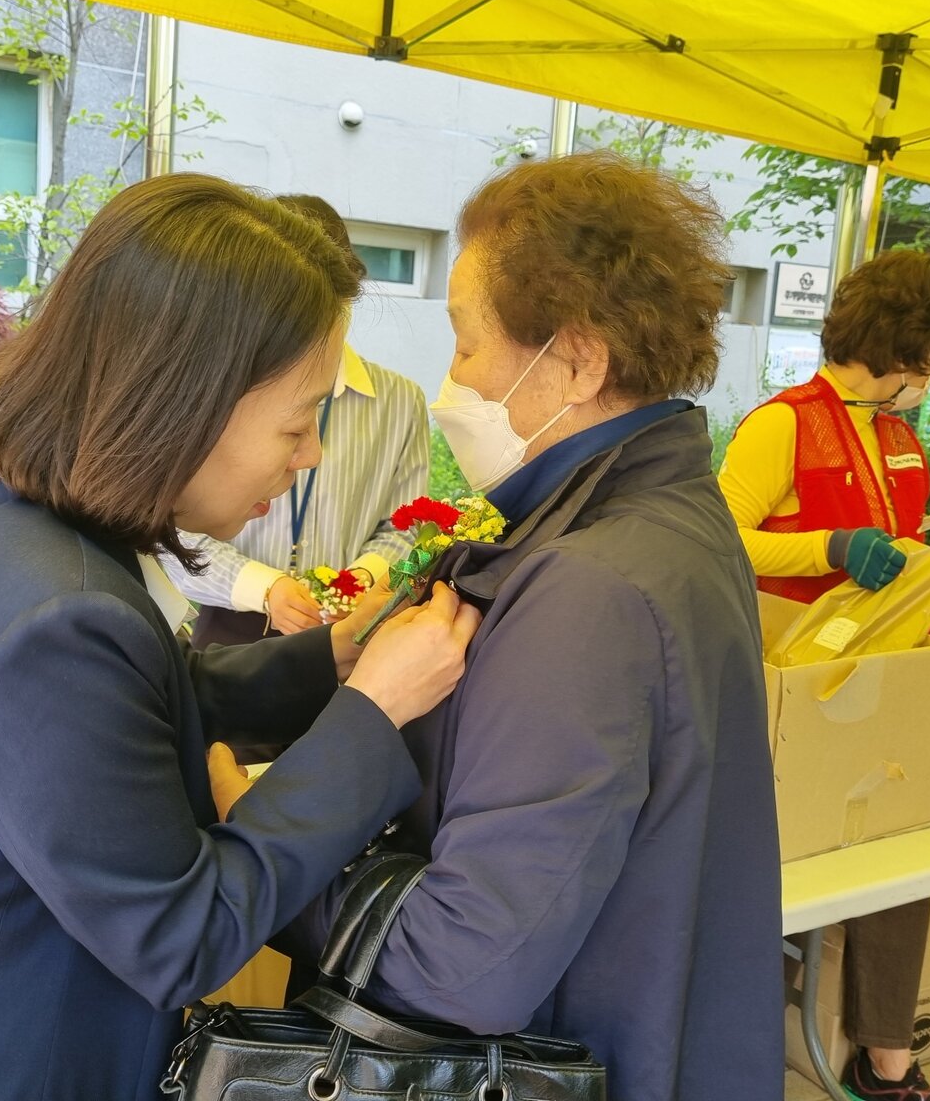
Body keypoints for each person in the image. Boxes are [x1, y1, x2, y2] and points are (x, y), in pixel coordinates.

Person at [0, 174, 481, 1101]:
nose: (312, 456)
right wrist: (372, 714)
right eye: (298, 424)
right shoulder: (59, 618)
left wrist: (325, 664)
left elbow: (116, 720)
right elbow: (182, 934)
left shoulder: (4, 512)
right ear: (183, 402)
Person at [266, 152, 783, 1100]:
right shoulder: (667, 512)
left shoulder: (589, 585)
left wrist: (270, 858)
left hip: (566, 1050)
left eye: (466, 344)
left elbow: (460, 965)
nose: (451, 378)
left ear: (578, 362)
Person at [717, 249, 930, 1101]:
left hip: (878, 676)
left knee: (898, 847)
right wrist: (829, 548)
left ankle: (886, 1058)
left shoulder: (895, 431)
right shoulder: (784, 424)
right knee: (776, 863)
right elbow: (720, 538)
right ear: (901, 344)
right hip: (790, 685)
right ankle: (737, 1040)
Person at [168, 194, 429, 650]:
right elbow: (168, 526)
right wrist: (265, 587)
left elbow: (405, 523)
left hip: (345, 622)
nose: (309, 454)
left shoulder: (400, 399)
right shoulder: (215, 390)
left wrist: (356, 582)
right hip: (233, 619)